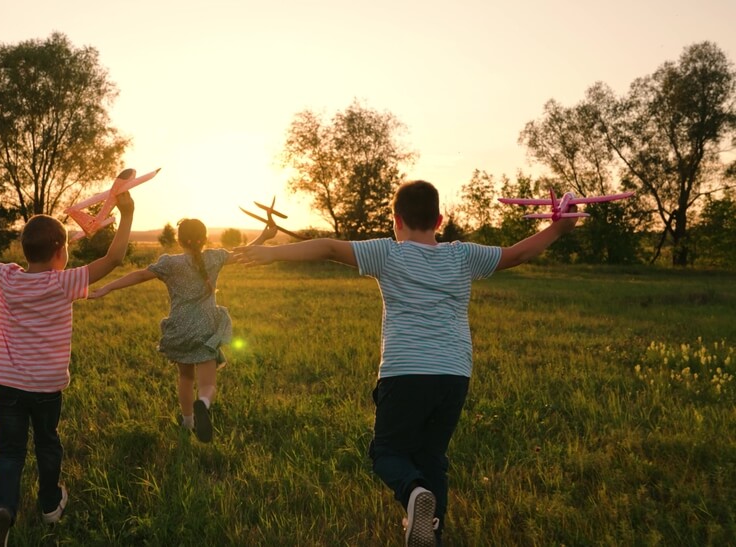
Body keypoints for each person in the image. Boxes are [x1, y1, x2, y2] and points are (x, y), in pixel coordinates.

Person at [233, 180, 578, 547]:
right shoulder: (463, 255)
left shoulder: (388, 253)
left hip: (405, 371)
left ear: (396, 220)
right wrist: (558, 227)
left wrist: (272, 254)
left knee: (387, 453)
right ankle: (432, 533)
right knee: (432, 456)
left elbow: (329, 248)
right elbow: (517, 254)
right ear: (440, 220)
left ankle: (413, 494)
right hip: (454, 374)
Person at [0, 180, 135, 547]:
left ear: (25, 250)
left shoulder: (6, 276)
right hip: (46, 388)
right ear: (60, 251)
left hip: (6, 385)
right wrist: (128, 214)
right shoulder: (64, 283)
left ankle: (2, 510)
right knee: (47, 443)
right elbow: (114, 260)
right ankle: (49, 505)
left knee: (10, 451)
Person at [88, 218, 276, 442]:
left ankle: (188, 423)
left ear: (179, 240)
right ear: (205, 239)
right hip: (206, 327)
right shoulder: (214, 257)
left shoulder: (170, 263)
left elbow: (139, 275)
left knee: (186, 378)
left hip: (180, 328)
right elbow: (243, 253)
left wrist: (107, 287)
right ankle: (203, 404)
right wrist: (264, 237)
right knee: (207, 384)